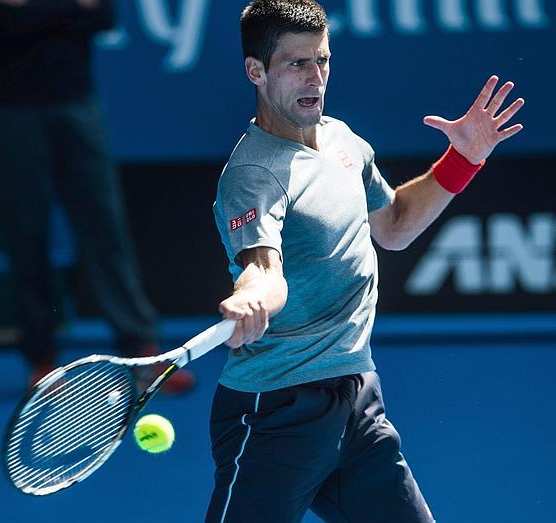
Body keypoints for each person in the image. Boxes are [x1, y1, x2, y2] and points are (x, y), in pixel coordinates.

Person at [207, 1, 524, 521]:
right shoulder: (253, 175)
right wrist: (250, 298)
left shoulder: (341, 140)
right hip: (277, 411)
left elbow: (395, 225)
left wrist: (463, 158)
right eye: (296, 64)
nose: (315, 78)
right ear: (255, 71)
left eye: (323, 61)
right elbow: (264, 268)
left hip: (356, 401)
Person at [0, 0, 194, 393]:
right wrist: (66, 10)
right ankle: (42, 362)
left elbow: (101, 14)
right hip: (12, 113)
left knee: (105, 229)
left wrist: (30, 13)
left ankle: (142, 352)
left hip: (78, 105)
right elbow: (0, 21)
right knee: (27, 236)